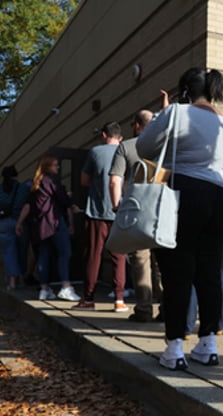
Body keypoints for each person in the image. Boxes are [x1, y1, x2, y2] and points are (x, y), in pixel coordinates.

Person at [137, 67, 223, 370]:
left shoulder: (176, 113)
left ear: (184, 91)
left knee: (177, 268)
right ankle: (208, 344)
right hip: (222, 197)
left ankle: (174, 347)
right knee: (211, 268)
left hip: (185, 191)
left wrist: (163, 119)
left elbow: (144, 148)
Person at [110, 110, 163, 322]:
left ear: (137, 125)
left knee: (140, 260)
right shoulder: (163, 146)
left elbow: (115, 180)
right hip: (160, 209)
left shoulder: (127, 146)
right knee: (161, 261)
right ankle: (166, 308)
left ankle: (144, 309)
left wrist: (116, 207)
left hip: (136, 209)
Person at [72, 122, 128, 313]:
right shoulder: (126, 150)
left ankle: (88, 298)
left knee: (93, 255)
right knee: (119, 257)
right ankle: (119, 299)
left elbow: (84, 181)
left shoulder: (95, 152)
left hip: (96, 211)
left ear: (104, 135)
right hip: (120, 211)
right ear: (120, 137)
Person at [15, 155, 81, 302]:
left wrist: (19, 223)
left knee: (43, 256)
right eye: (55, 165)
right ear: (47, 167)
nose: (57, 167)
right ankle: (66, 286)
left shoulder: (35, 185)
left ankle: (44, 289)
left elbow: (27, 206)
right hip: (55, 223)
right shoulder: (51, 180)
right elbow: (63, 198)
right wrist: (71, 204)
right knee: (65, 253)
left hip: (39, 226)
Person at [0, 165, 31, 290]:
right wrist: (19, 223)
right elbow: (27, 207)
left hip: (2, 224)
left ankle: (12, 281)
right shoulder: (24, 188)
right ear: (16, 175)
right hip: (20, 223)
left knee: (8, 253)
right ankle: (20, 277)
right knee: (22, 251)